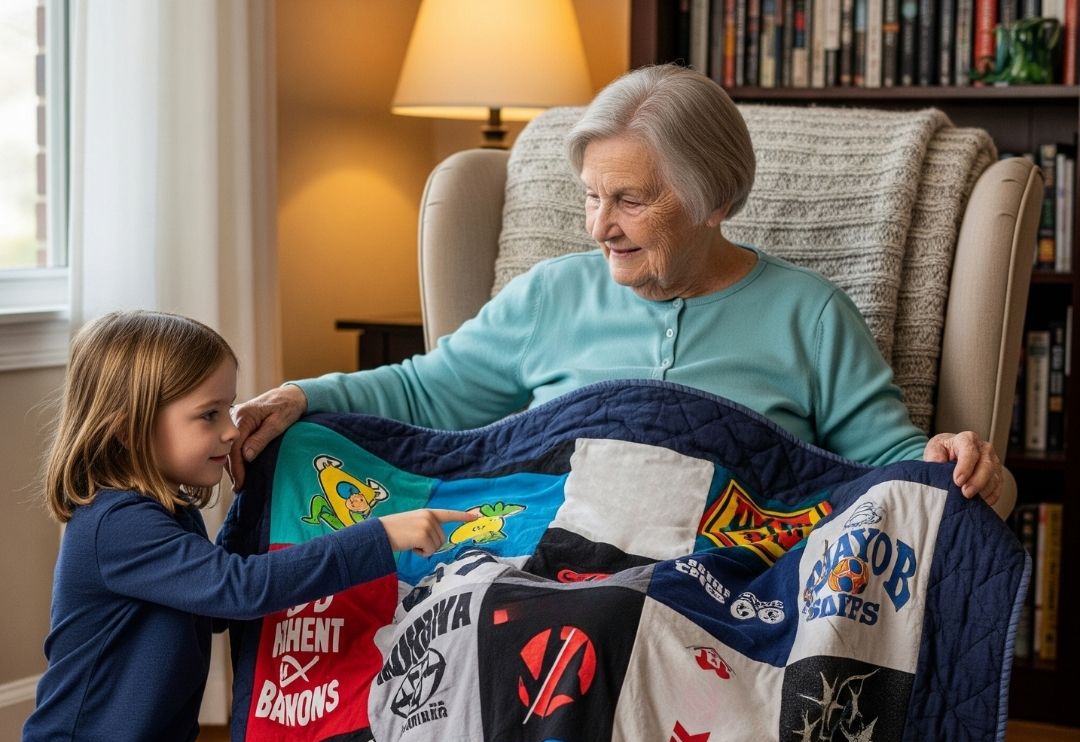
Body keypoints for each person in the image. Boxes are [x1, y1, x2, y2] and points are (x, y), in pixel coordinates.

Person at [229, 63, 1002, 502]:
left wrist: (952, 457)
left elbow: (889, 466)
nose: (599, 227)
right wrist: (305, 396)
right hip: (545, 565)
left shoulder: (809, 315)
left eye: (630, 200)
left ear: (714, 201)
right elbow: (426, 393)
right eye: (591, 197)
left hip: (727, 585)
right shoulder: (549, 294)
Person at [0, 310, 474, 742]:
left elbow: (217, 596)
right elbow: (239, 590)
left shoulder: (168, 510)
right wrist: (376, 536)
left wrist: (256, 506)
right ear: (129, 426)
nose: (230, 430)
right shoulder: (116, 526)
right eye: (209, 415)